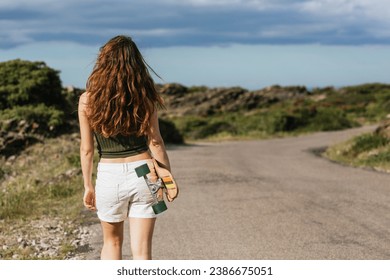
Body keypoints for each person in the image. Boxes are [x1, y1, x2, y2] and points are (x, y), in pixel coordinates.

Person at [78, 35, 171, 260]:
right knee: (142, 251)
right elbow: (155, 142)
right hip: (145, 173)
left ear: (103, 61)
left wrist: (88, 186)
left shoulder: (87, 100)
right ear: (135, 63)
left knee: (112, 243)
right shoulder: (145, 97)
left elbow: (87, 149)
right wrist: (167, 178)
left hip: (109, 176)